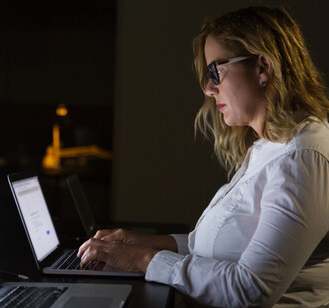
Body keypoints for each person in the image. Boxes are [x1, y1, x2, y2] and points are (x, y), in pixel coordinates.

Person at [77, 6, 329, 307]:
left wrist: (145, 259)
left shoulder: (303, 158)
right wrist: (144, 244)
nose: (209, 89)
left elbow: (251, 290)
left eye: (215, 72)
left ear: (262, 68)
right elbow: (219, 249)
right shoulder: (270, 146)